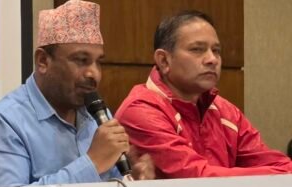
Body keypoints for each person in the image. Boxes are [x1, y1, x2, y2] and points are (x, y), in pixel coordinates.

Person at [0, 0, 154, 187]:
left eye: (98, 62)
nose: (94, 73)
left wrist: (133, 180)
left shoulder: (97, 116)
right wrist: (92, 163)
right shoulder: (3, 122)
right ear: (43, 61)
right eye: (81, 60)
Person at [116, 10, 292, 178]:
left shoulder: (226, 111)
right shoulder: (141, 110)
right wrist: (276, 175)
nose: (212, 59)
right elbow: (196, 178)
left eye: (216, 51)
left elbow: (280, 165)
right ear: (164, 60)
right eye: (197, 49)